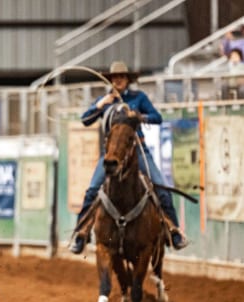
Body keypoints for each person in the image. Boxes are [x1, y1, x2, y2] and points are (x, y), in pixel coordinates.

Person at [68, 61, 187, 254]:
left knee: (161, 188)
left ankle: (174, 230)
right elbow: (85, 119)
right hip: (111, 154)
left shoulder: (138, 98)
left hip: (138, 151)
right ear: (111, 80)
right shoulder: (105, 101)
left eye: (122, 77)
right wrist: (100, 105)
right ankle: (80, 233)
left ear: (128, 80)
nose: (118, 80)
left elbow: (157, 117)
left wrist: (140, 116)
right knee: (92, 191)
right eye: (115, 78)